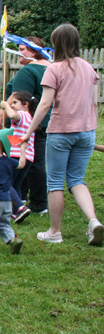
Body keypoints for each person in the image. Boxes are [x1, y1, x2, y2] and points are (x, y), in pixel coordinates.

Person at [20, 23, 103, 246]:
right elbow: (94, 102)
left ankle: (54, 232)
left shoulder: (54, 69)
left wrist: (28, 132)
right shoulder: (88, 68)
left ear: (56, 44)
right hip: (87, 132)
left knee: (55, 182)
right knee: (76, 179)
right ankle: (93, 221)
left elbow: (45, 104)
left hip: (61, 133)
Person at [0, 35, 51, 215]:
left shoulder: (28, 71)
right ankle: (26, 199)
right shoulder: (53, 68)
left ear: (34, 51)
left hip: (25, 125)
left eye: (23, 49)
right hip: (47, 122)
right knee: (34, 161)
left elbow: (16, 96)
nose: (19, 52)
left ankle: (34, 203)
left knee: (21, 161)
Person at [0, 92, 38, 224]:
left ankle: (20, 208)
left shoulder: (21, 115)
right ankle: (16, 210)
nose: (13, 105)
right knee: (16, 184)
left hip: (16, 155)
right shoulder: (31, 118)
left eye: (15, 103)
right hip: (28, 157)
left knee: (6, 183)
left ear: (25, 104)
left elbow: (12, 115)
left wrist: (5, 105)